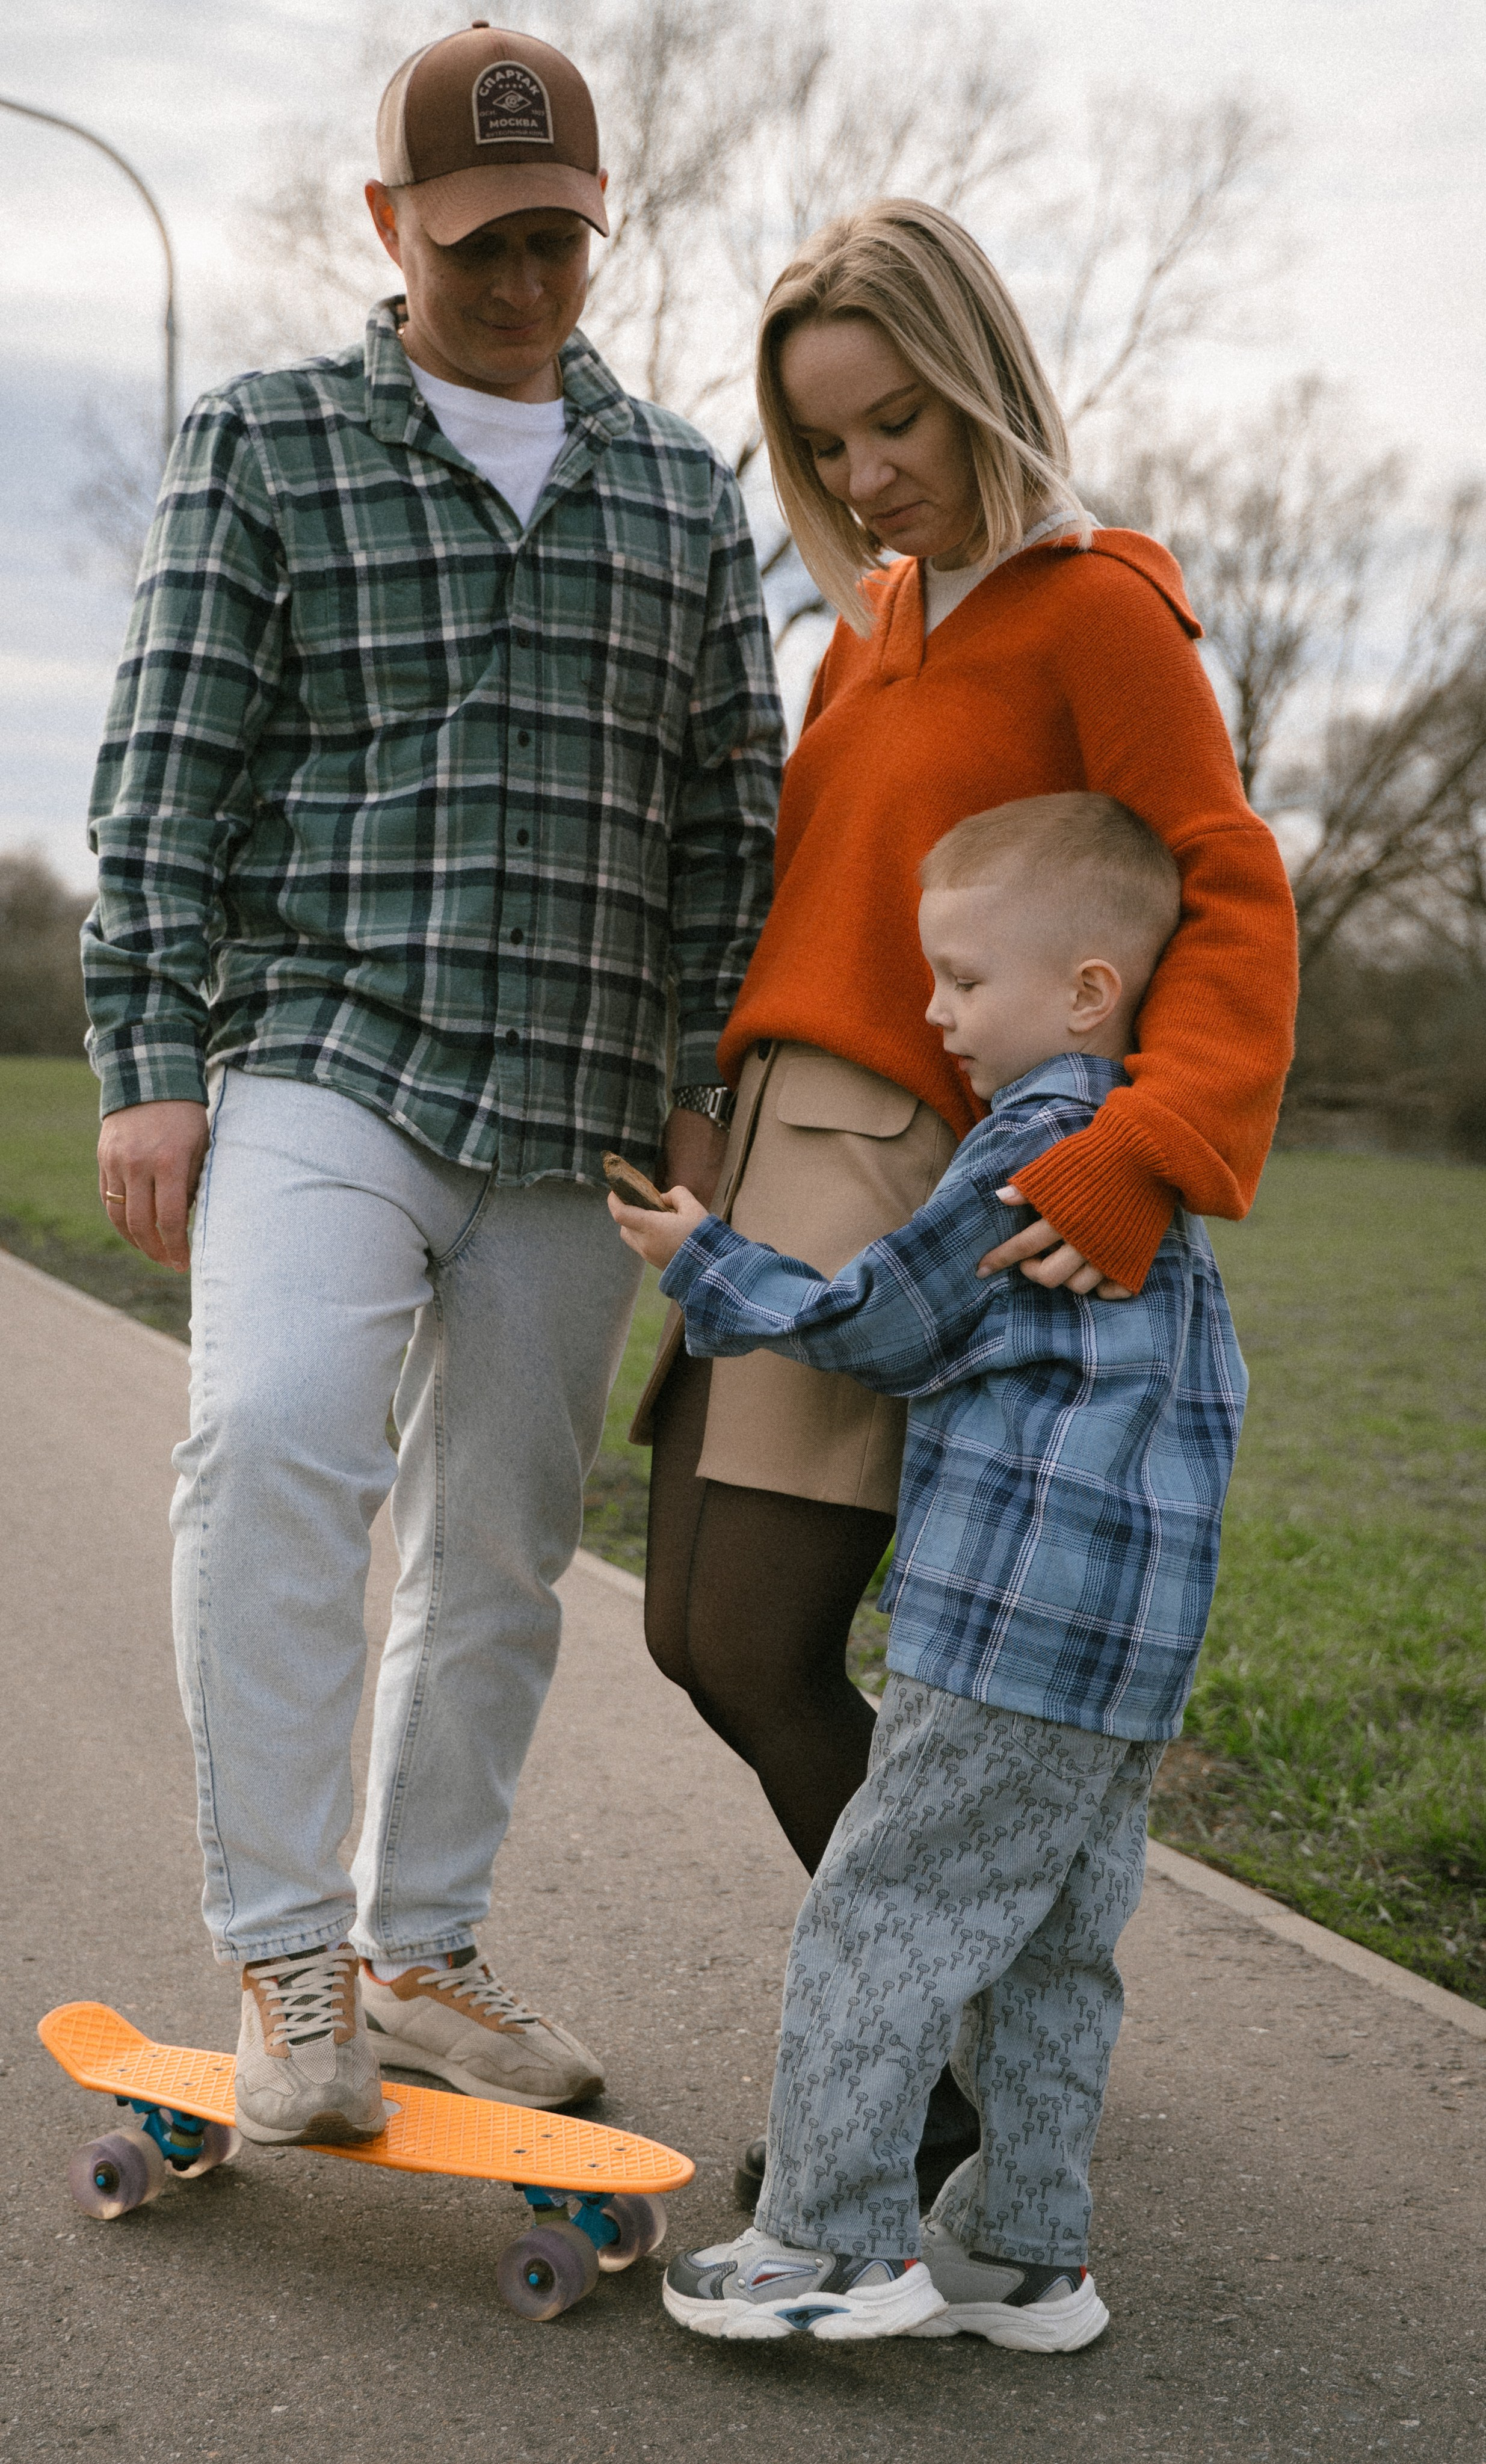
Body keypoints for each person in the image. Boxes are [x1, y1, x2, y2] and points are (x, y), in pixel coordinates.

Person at [82, 23, 782, 2145]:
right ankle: (289, 1952)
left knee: (497, 1547)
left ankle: (421, 1943)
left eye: (558, 239)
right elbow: (167, 775)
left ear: (598, 234)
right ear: (390, 225)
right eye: (480, 242)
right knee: (279, 1439)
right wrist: (147, 1061)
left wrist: (694, 1097)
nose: (521, 282)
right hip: (329, 1051)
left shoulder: (678, 486)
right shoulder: (266, 444)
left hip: (578, 1094)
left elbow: (727, 820)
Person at [633, 197, 1295, 2203]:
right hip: (780, 1144)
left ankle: (924, 2070)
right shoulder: (869, 631)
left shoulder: (1098, 605)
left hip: (915, 1173)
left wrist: (1140, 1149)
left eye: (897, 420)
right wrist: (705, 1114)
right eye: (827, 442)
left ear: (985, 375)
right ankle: (982, 2031)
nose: (865, 475)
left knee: (755, 1640)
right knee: (685, 1630)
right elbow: (815, 915)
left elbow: (1225, 886)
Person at [610, 791, 1248, 2345]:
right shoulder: (1149, 1172)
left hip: (1005, 1623)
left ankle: (831, 2239)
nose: (934, 1010)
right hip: (1129, 1650)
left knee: (880, 1914)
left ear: (1089, 989)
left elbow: (887, 1322)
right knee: (1052, 1948)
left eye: (964, 979)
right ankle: (1024, 2251)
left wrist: (706, 1256)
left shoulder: (1039, 1139)